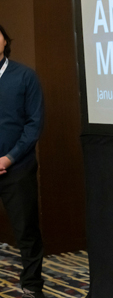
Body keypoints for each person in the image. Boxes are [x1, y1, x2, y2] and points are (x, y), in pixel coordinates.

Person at [0, 24, 46, 298]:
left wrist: (9, 157)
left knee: (26, 230)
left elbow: (34, 124)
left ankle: (31, 286)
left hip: (17, 168)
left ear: (5, 41)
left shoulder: (25, 77)